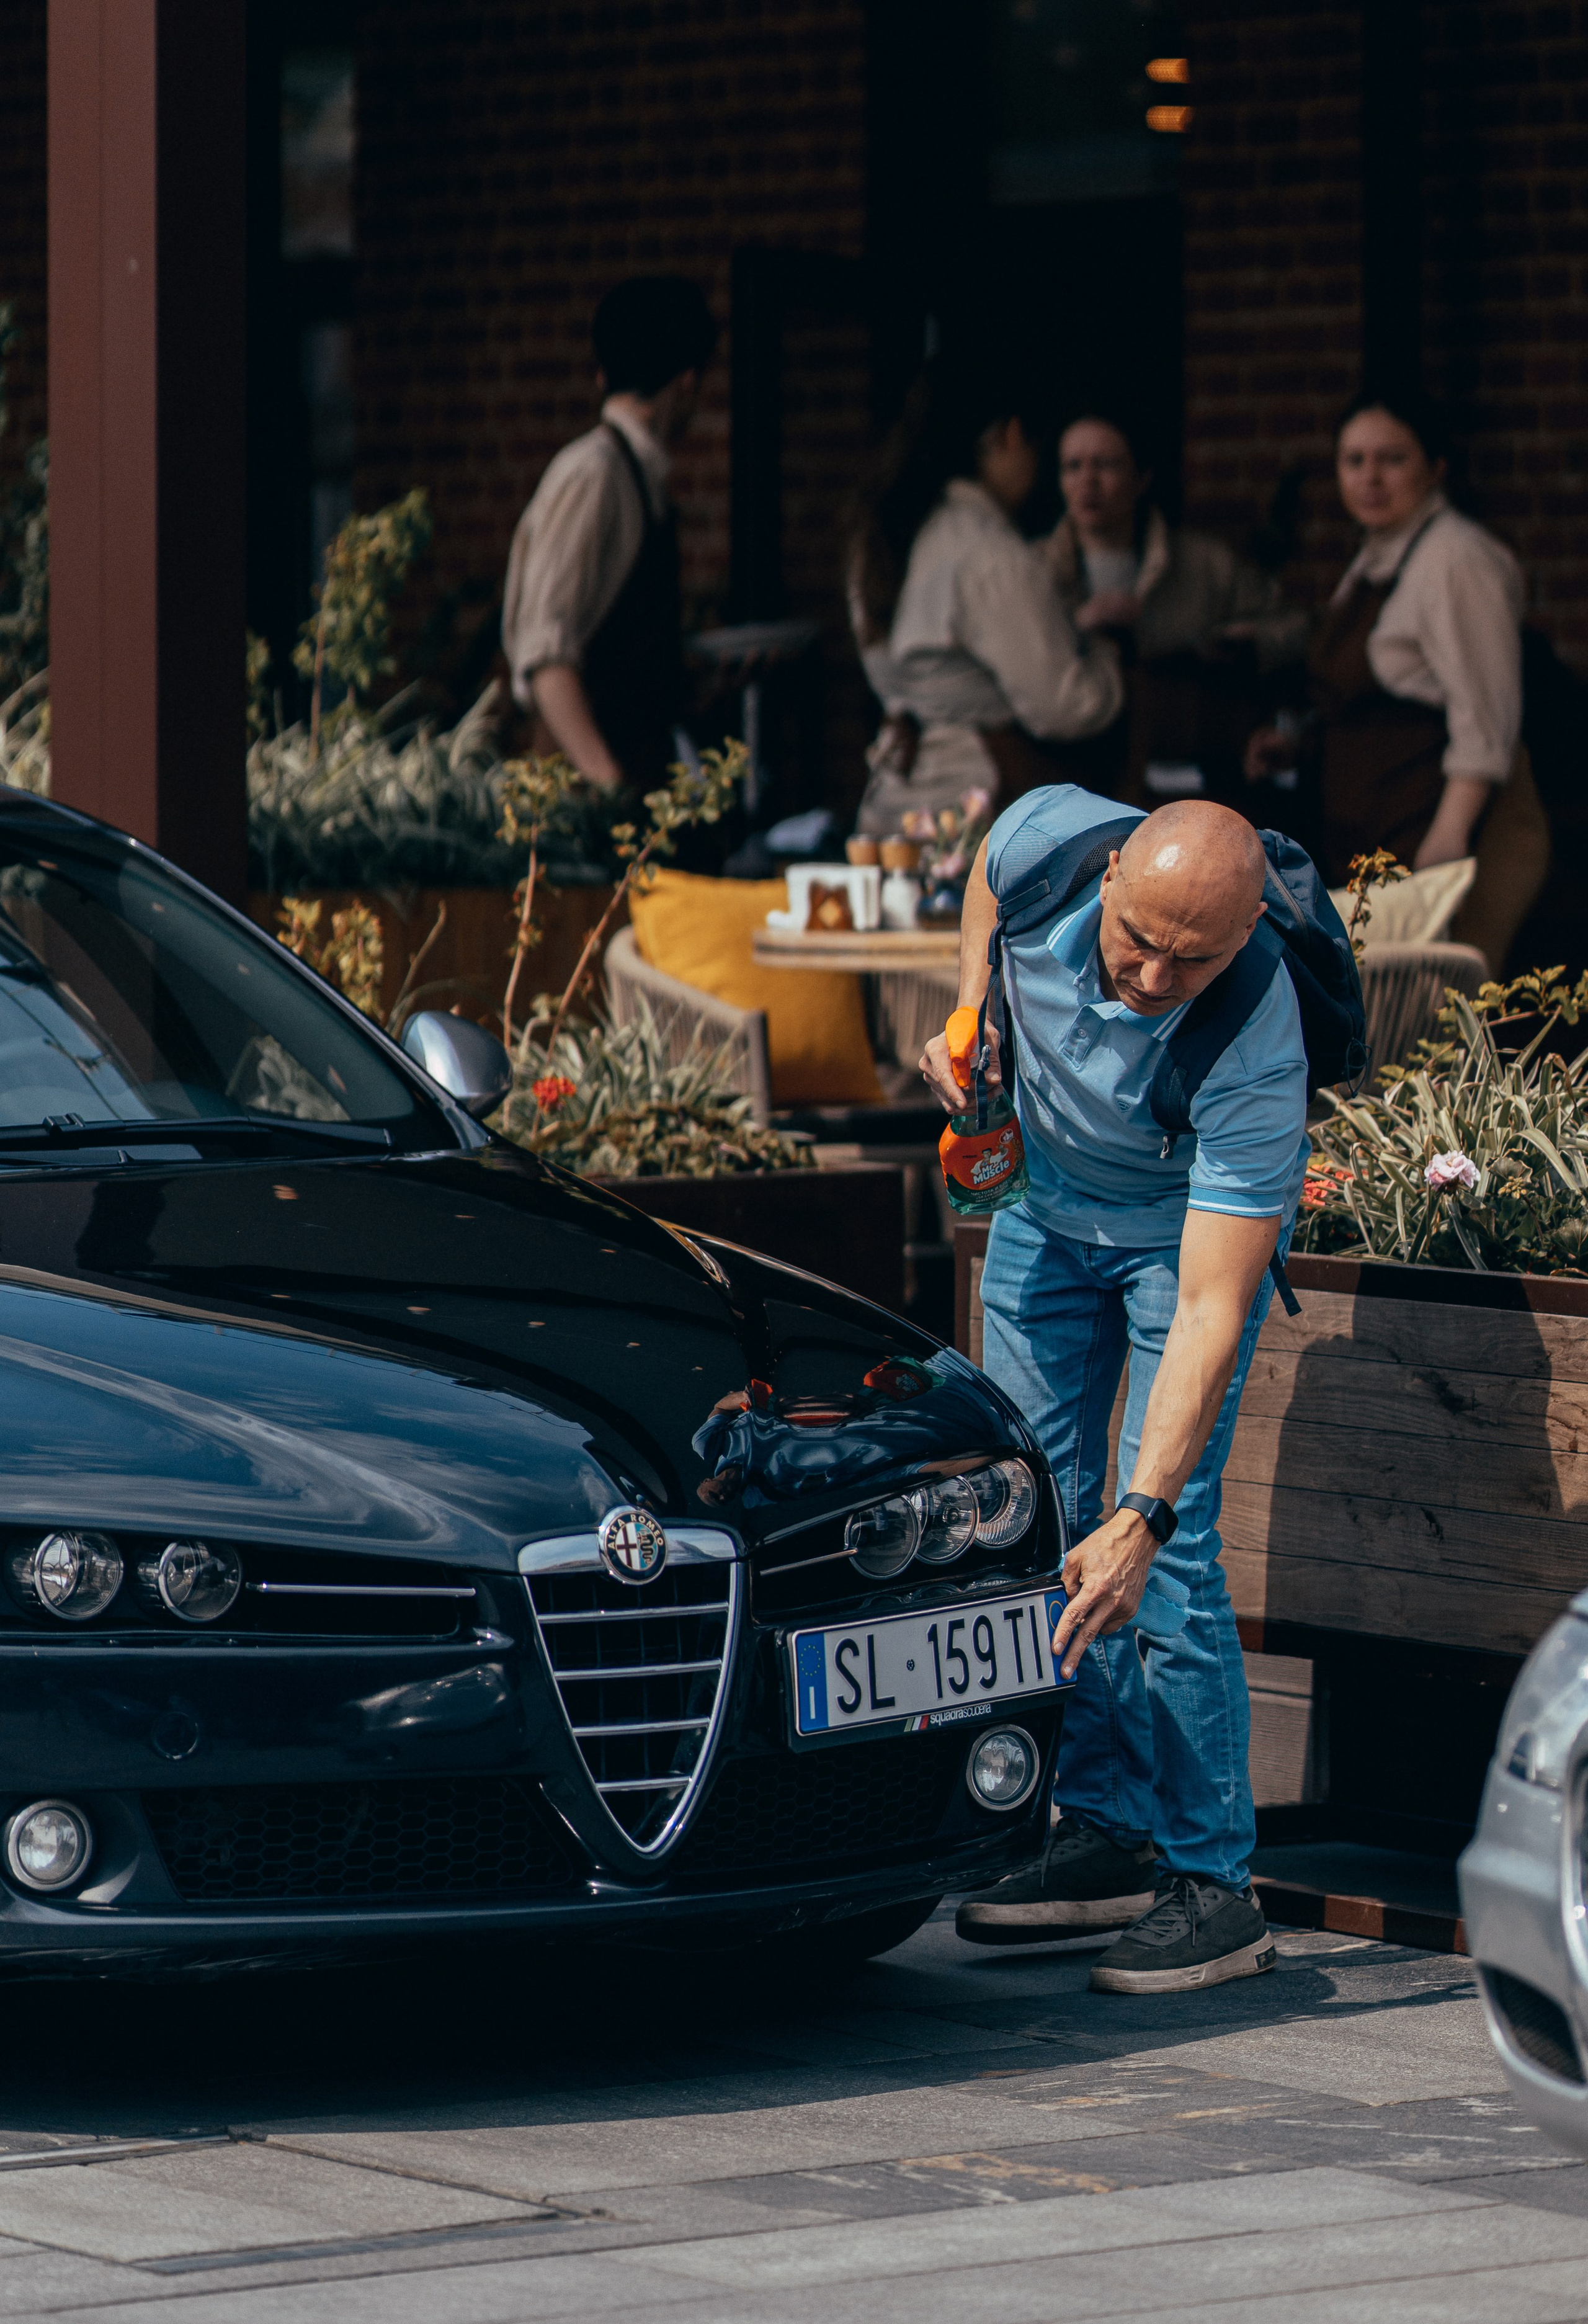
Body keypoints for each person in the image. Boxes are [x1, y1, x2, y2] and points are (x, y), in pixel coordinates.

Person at [923, 787, 1309, 1994]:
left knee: (1167, 1550)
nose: (1148, 975)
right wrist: (970, 1008)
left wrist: (1139, 1511)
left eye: (1188, 957)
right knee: (1036, 1513)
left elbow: (1206, 1309)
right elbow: (985, 875)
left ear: (1244, 936)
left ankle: (1213, 1884)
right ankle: (1097, 1828)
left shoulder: (1254, 1031)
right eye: (1134, 938)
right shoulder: (1046, 841)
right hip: (1040, 1213)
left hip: (1169, 1242)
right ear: (1105, 886)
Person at [1245, 391, 1546, 919]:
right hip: (1371, 841)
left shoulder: (1457, 558)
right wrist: (1299, 745)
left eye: (1394, 459)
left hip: (1437, 840)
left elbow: (1486, 715)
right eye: (1354, 460)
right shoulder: (1373, 558)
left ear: (1435, 468)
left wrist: (1447, 842)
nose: (1371, 478)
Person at [847, 364, 1123, 836]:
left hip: (892, 810)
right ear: (1013, 435)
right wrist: (1106, 645)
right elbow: (1066, 706)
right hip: (971, 820)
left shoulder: (882, 538)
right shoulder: (989, 551)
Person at [501, 275, 718, 796]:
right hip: (583, 806)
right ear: (687, 382)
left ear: (603, 376)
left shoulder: (639, 478)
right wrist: (610, 787)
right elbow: (546, 656)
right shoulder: (596, 474)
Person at [1037, 412, 1307, 800]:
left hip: (1184, 785)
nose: (1087, 482)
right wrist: (1079, 627)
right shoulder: (1033, 570)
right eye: (1072, 466)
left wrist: (1238, 641)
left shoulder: (1203, 563)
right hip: (1069, 781)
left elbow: (1295, 628)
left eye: (1107, 464)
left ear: (1142, 477)